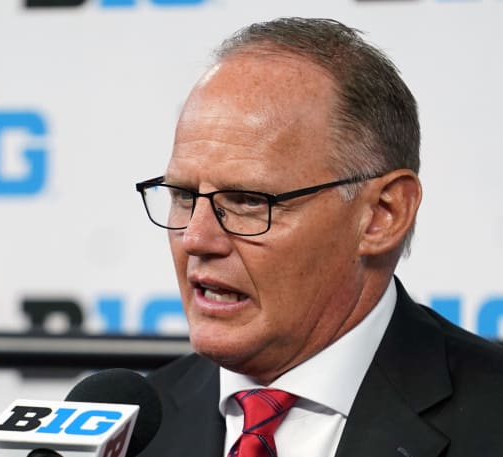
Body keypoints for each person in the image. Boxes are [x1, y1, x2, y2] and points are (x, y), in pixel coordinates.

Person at [134, 17, 503, 457]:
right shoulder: (133, 431)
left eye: (250, 201)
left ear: (383, 215)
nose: (196, 238)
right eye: (183, 194)